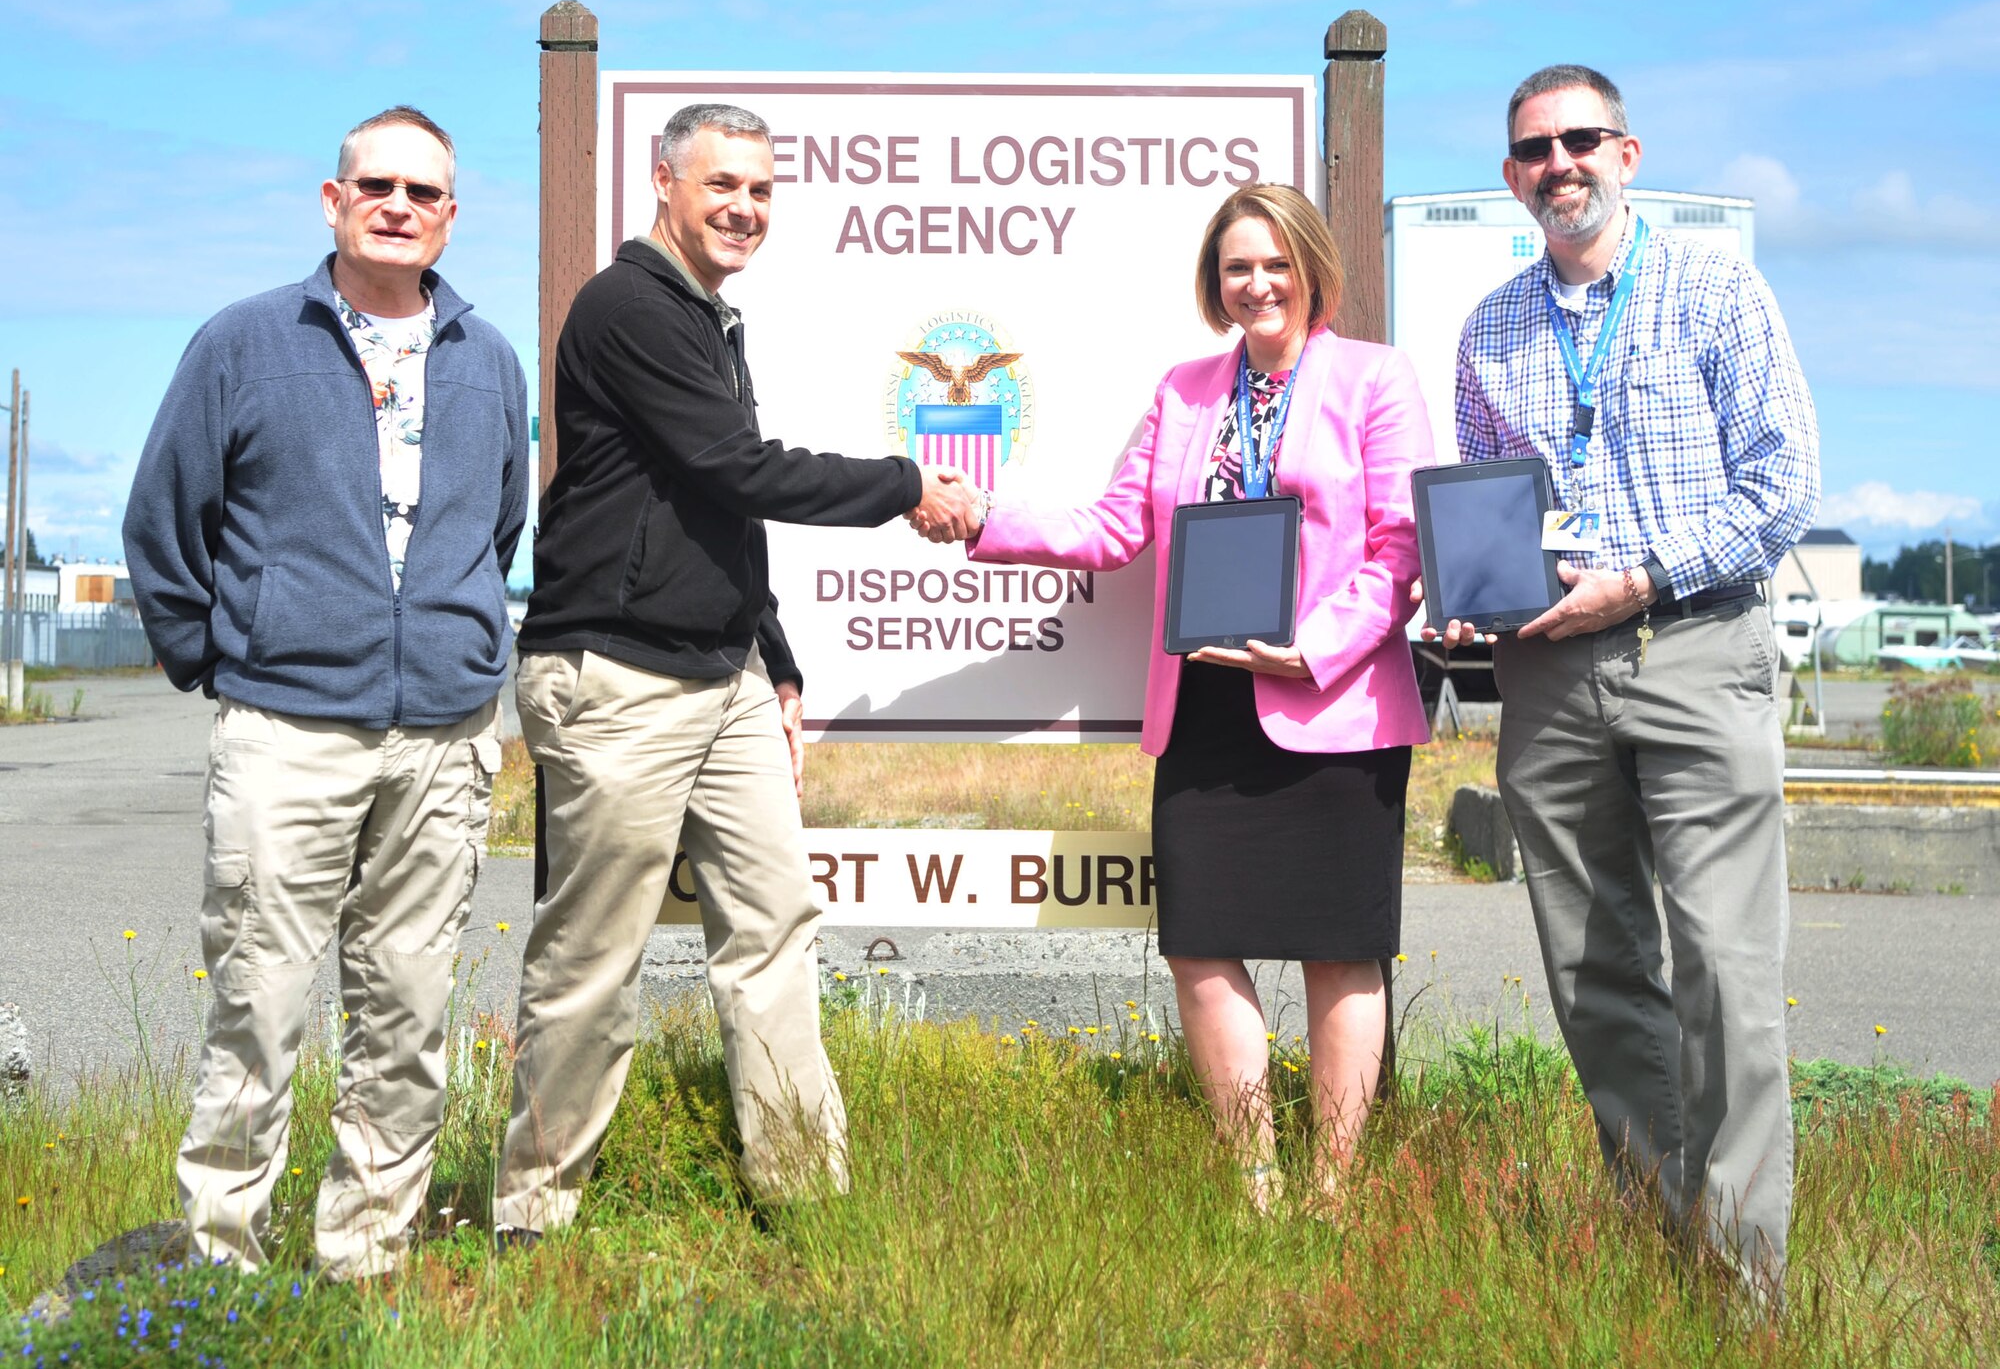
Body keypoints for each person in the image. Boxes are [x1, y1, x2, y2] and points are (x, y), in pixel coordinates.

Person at [492, 103, 975, 1242]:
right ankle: (531, 1212)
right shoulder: (627, 307)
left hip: (723, 680)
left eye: (761, 189)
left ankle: (804, 1197)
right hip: (615, 676)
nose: (743, 207)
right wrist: (908, 481)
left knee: (774, 926)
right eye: (721, 185)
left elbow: (711, 512)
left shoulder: (710, 320)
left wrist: (776, 655)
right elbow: (737, 465)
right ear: (662, 181)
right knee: (591, 955)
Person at [921, 182, 1432, 1209]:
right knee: (1198, 941)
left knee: (1342, 950)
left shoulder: (1375, 379)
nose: (1258, 283)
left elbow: (1397, 545)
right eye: (1237, 266)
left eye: (1276, 262)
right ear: (1216, 281)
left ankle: (1329, 1193)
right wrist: (982, 517)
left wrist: (1308, 649)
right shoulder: (1185, 389)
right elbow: (1114, 525)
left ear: (1311, 269)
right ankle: (1253, 1179)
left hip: (1334, 707)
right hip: (1203, 707)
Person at [123, 106, 529, 1279]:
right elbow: (164, 517)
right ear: (332, 200)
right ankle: (221, 1264)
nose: (399, 205)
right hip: (286, 730)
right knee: (258, 1003)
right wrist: (221, 652)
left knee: (407, 1013)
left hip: (443, 738)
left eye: (425, 192)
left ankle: (367, 1260)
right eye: (378, 185)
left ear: (452, 216)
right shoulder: (245, 343)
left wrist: (453, 643)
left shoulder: (487, 359)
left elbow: (498, 523)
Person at [1432, 64, 1817, 1298]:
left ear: (1627, 151)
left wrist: (1642, 577)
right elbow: (1494, 512)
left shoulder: (1716, 289)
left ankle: (1744, 1274)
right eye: (1533, 149)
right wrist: (1469, 603)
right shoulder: (1486, 328)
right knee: (1591, 969)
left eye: (1579, 140)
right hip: (1548, 673)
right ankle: (1659, 1244)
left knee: (1720, 964)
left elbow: (1779, 485)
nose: (1559, 164)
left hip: (1695, 644)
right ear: (1510, 177)